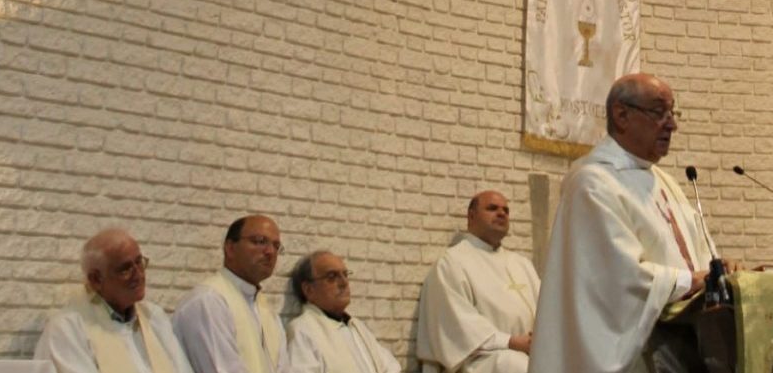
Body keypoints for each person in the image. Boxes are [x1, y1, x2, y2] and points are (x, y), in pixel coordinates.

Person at [529, 73, 735, 373]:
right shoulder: (592, 183)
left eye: (673, 113)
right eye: (658, 112)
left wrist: (720, 271)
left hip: (686, 343)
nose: (672, 124)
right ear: (622, 115)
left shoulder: (664, 182)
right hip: (640, 356)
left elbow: (699, 255)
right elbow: (618, 281)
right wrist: (691, 281)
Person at [34, 228, 194, 373]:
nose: (138, 275)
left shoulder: (154, 317)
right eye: (125, 269)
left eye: (139, 262)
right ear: (96, 279)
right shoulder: (67, 329)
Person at [416, 190, 540, 373]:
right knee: (514, 364)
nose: (501, 213)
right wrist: (511, 342)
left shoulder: (522, 264)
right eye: (492, 208)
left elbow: (548, 310)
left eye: (506, 210)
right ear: (471, 216)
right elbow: (457, 328)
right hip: (480, 362)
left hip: (532, 352)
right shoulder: (452, 263)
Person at [172, 214, 290, 373]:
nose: (270, 252)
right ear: (230, 248)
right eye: (260, 241)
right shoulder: (208, 302)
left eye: (276, 246)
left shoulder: (268, 312)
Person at [286, 250, 401, 372]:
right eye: (332, 277)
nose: (344, 282)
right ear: (309, 289)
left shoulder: (357, 326)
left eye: (345, 274)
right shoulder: (302, 330)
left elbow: (391, 367)